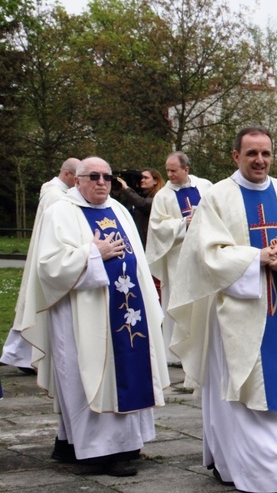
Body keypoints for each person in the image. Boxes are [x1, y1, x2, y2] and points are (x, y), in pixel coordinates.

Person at [168, 126, 277, 492]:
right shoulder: (217, 197)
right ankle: (254, 473)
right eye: (252, 153)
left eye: (266, 153)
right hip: (237, 313)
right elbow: (206, 254)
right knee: (244, 394)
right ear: (235, 156)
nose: (260, 160)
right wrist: (255, 257)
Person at [19, 157, 169, 477]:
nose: (102, 182)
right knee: (83, 376)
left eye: (107, 177)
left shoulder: (118, 211)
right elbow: (48, 266)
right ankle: (97, 452)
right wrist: (92, 255)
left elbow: (139, 262)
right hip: (79, 315)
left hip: (128, 315)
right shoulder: (60, 212)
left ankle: (117, 446)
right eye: (94, 176)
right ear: (78, 180)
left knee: (126, 373)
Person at [1, 157, 80, 373]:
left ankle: (16, 354)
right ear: (68, 175)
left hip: (48, 253)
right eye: (78, 177)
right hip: (50, 254)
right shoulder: (55, 196)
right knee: (38, 306)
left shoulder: (57, 192)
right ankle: (23, 356)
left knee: (34, 305)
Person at [145, 152, 212, 365]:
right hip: (178, 258)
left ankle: (205, 347)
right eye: (168, 170)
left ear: (186, 169)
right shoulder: (163, 196)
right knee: (178, 301)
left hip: (204, 254)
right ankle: (176, 354)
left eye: (174, 170)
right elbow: (157, 227)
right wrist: (184, 224)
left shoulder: (205, 187)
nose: (170, 174)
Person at [116, 168, 165, 245]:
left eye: (146, 178)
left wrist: (127, 189)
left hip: (151, 242)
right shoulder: (136, 196)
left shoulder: (160, 197)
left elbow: (142, 203)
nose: (142, 180)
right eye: (141, 178)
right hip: (137, 239)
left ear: (155, 181)